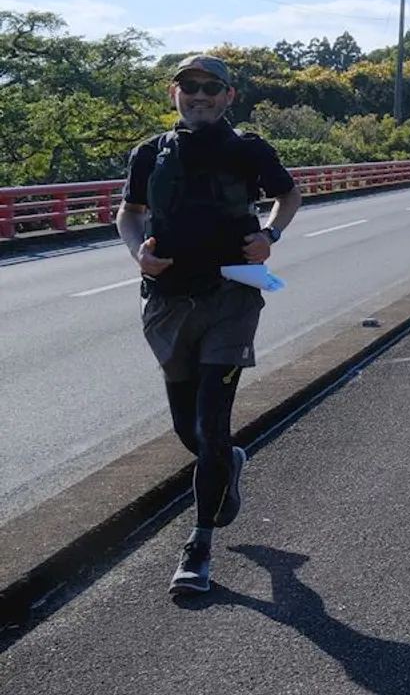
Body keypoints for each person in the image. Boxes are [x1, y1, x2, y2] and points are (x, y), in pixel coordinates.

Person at [115, 54, 302, 596]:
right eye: (188, 86)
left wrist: (271, 236)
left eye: (210, 88)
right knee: (189, 432)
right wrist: (136, 253)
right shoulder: (151, 152)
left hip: (230, 297)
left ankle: (198, 548)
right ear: (174, 93)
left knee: (212, 423)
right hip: (169, 301)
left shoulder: (248, 150)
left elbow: (288, 195)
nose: (198, 95)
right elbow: (128, 212)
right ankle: (227, 463)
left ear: (228, 96)